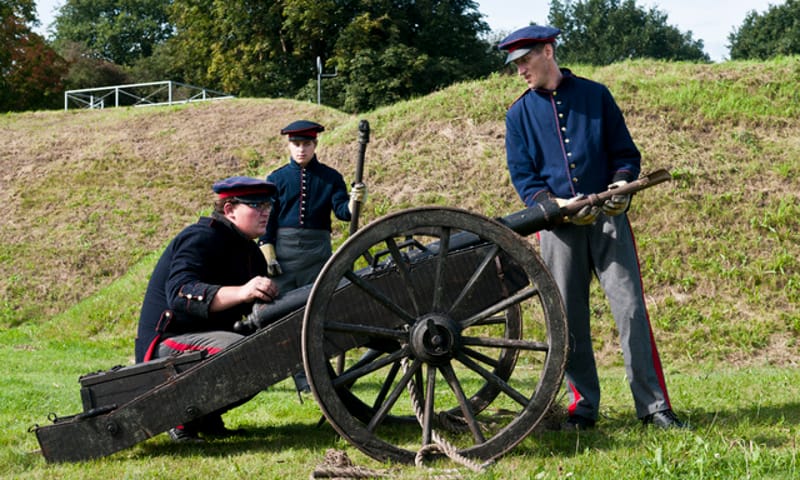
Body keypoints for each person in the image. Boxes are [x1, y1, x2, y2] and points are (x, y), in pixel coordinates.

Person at [498, 25, 686, 430]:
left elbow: (625, 153)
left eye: (525, 60)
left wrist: (621, 183)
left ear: (547, 51)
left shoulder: (596, 95)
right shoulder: (518, 115)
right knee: (569, 319)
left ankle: (654, 407)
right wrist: (556, 206)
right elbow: (525, 179)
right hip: (558, 228)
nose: (520, 71)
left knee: (632, 310)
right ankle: (582, 408)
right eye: (515, 64)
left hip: (610, 221)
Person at [135, 176, 279, 442]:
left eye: (268, 204)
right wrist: (242, 291)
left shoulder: (252, 254)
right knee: (246, 352)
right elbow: (180, 293)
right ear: (229, 209)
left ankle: (205, 415)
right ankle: (181, 418)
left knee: (268, 349)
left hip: (205, 339)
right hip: (167, 342)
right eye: (256, 205)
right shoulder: (200, 237)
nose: (266, 211)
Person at [258, 120, 366, 394]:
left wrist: (354, 201)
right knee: (283, 316)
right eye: (296, 144)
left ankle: (319, 374)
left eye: (306, 144)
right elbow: (268, 222)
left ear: (315, 145)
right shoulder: (277, 179)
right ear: (289, 145)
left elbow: (343, 212)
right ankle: (300, 377)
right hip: (284, 253)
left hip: (317, 253)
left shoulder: (330, 177)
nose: (301, 150)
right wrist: (268, 251)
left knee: (315, 314)